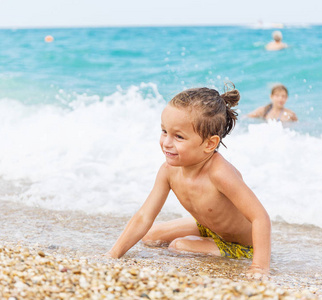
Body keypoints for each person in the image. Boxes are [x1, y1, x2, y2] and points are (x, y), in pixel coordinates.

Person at [106, 85, 272, 279]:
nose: (167, 142)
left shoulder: (219, 173)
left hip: (242, 245)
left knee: (179, 245)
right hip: (209, 228)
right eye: (164, 131)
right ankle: (205, 240)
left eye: (178, 136)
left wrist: (259, 267)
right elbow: (144, 216)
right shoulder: (168, 171)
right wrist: (113, 254)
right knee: (150, 236)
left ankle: (221, 250)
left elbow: (260, 217)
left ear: (210, 144)